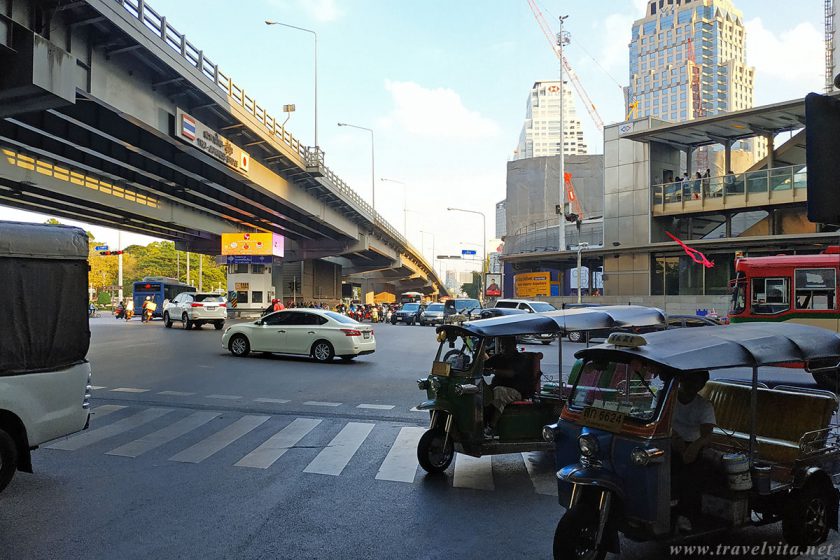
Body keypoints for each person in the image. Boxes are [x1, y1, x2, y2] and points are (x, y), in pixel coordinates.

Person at [671, 370, 716, 533]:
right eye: (689, 381)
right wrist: (676, 440)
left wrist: (692, 448)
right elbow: (661, 422)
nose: (692, 386)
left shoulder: (704, 406)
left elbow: (706, 436)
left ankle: (687, 515)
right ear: (682, 380)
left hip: (694, 444)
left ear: (702, 385)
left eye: (697, 383)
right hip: (669, 440)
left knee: (693, 473)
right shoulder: (669, 398)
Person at [482, 337, 533, 438]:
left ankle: (492, 427)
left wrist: (493, 371)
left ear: (513, 346)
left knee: (499, 391)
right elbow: (484, 365)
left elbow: (511, 373)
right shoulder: (498, 357)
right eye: (502, 346)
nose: (504, 348)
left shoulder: (520, 358)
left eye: (507, 346)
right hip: (497, 387)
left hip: (516, 391)